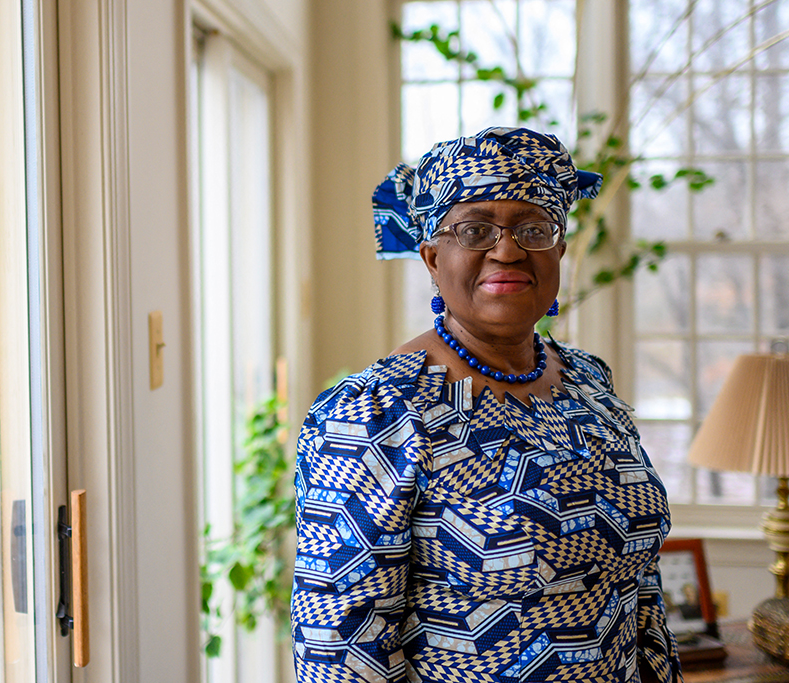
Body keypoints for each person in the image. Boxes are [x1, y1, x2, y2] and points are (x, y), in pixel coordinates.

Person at [290, 127, 683, 683]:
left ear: (560, 251)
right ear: (431, 256)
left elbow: (641, 592)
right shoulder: (374, 414)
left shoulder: (589, 383)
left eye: (534, 228)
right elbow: (341, 650)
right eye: (475, 229)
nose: (507, 249)